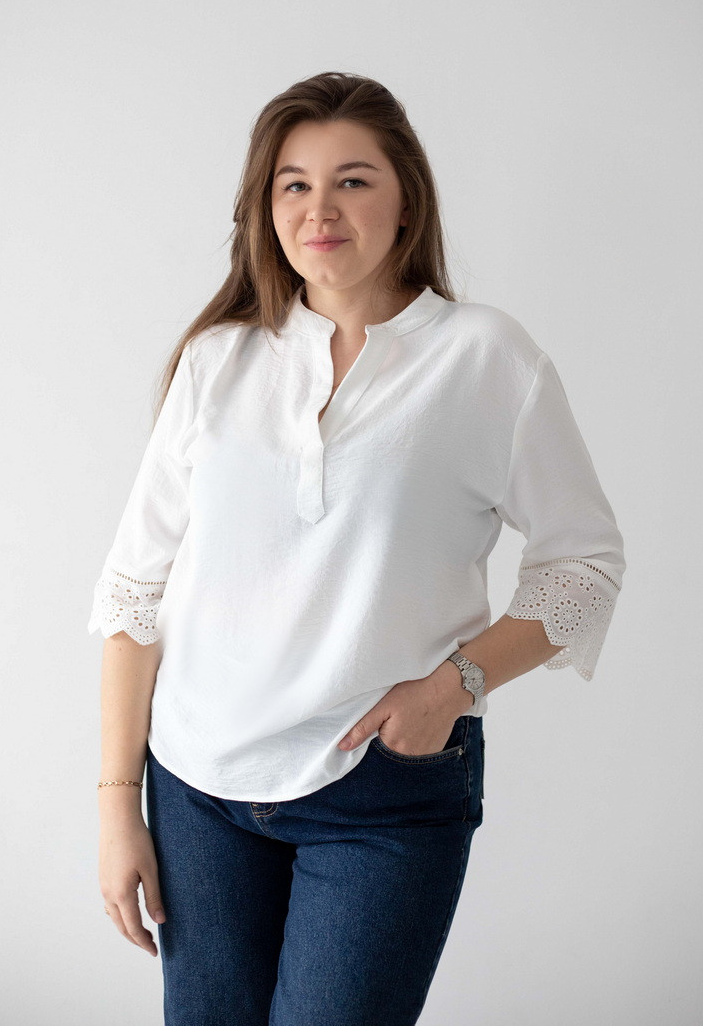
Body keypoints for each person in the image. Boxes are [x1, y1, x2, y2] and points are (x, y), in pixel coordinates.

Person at [89, 71, 626, 1026]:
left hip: (382, 787)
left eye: (352, 180)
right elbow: (136, 590)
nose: (319, 209)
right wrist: (116, 808)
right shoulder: (218, 360)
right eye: (293, 184)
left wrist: (454, 685)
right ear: (265, 208)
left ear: (406, 199)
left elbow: (584, 564)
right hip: (198, 790)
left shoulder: (485, 357)